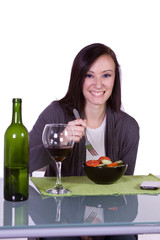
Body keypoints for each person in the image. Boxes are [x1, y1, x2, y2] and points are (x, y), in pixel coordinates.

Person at [29, 43, 139, 240]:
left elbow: (125, 193)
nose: (98, 84)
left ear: (115, 80)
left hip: (109, 220)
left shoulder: (128, 128)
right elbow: (20, 164)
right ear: (78, 78)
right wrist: (59, 140)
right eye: (89, 75)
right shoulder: (55, 113)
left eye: (106, 75)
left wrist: (102, 230)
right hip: (59, 216)